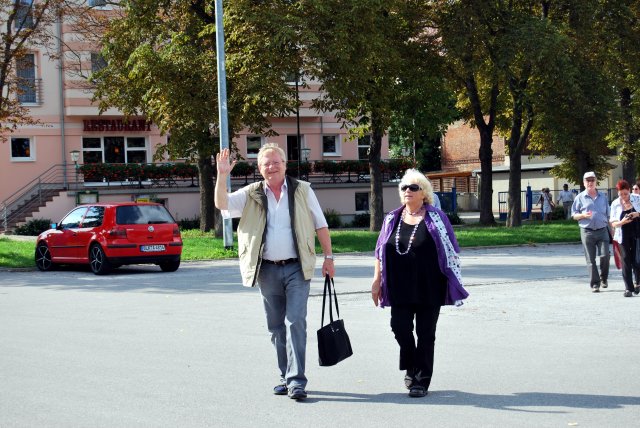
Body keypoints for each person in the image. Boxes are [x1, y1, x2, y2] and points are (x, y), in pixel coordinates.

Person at [214, 144, 335, 401]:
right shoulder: (252, 193)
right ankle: (285, 375)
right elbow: (222, 204)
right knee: (276, 327)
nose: (271, 167)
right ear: (259, 169)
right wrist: (222, 176)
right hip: (267, 269)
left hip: (297, 267)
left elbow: (320, 224)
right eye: (266, 163)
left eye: (276, 162)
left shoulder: (303, 190)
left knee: (296, 321)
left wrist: (329, 257)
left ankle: (297, 381)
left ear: (285, 164)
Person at [371, 169, 468, 398]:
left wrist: (452, 277)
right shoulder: (392, 219)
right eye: (404, 187)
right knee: (399, 327)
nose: (407, 191)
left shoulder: (437, 218)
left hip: (429, 284)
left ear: (423, 193)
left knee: (426, 333)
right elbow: (379, 251)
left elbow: (451, 249)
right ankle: (412, 363)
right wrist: (376, 280)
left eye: (413, 187)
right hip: (399, 285)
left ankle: (421, 380)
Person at [571, 171, 611, 292]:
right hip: (587, 231)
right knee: (590, 259)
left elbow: (609, 215)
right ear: (584, 183)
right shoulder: (579, 197)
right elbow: (574, 215)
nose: (590, 182)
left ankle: (603, 278)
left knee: (605, 255)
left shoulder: (603, 197)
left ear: (596, 181)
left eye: (592, 180)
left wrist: (613, 230)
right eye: (587, 180)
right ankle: (595, 284)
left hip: (602, 230)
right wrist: (583, 215)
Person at [609, 180, 640, 297]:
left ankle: (638, 282)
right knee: (626, 260)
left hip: (637, 233)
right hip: (622, 235)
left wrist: (637, 214)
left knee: (637, 260)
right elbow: (613, 223)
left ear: (629, 191)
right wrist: (622, 222)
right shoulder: (615, 203)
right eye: (621, 194)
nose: (623, 196)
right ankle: (628, 288)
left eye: (626, 194)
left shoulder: (637, 199)